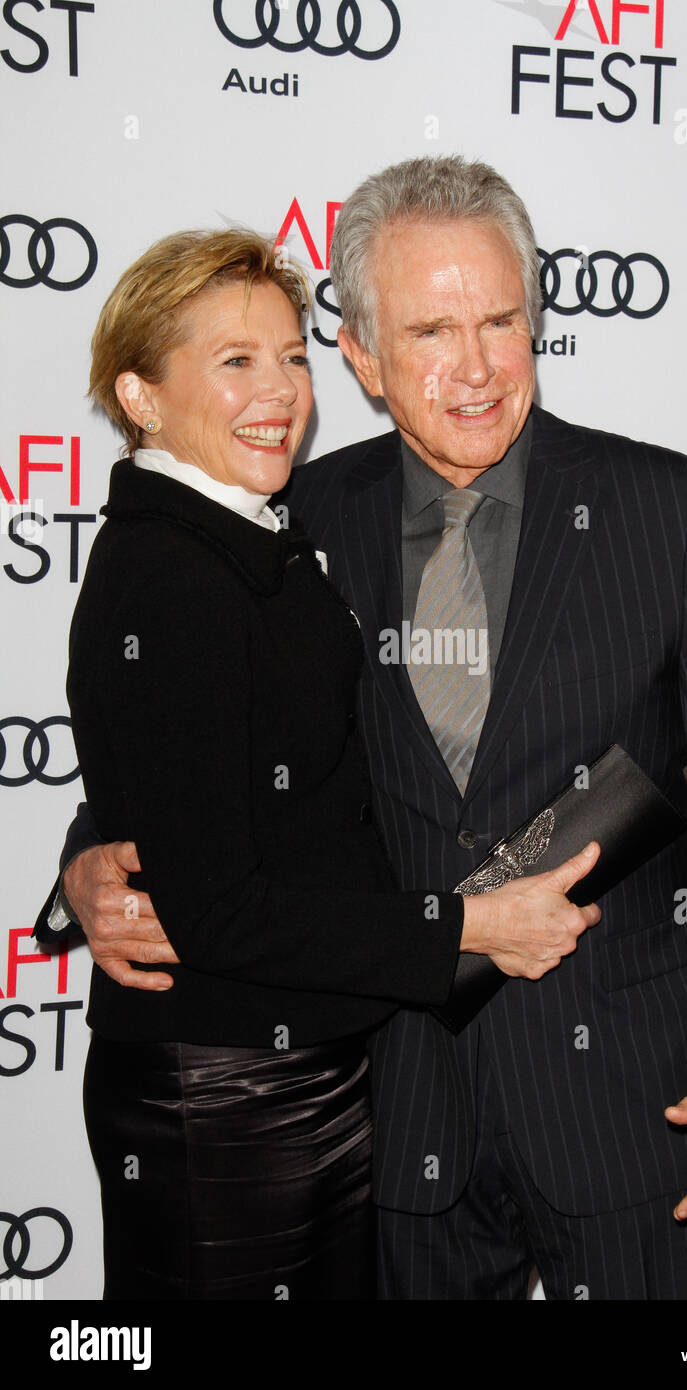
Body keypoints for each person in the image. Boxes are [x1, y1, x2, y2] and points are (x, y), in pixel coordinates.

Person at [46, 158, 687, 1301]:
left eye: (500, 321)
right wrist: (87, 861)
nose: (473, 368)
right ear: (363, 358)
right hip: (394, 1119)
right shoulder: (297, 518)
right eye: (428, 330)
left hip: (634, 1114)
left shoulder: (669, 511)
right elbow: (196, 743)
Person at [38, 225, 602, 1301]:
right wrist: (470, 927)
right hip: (228, 1094)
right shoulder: (173, 575)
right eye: (233, 361)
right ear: (141, 397)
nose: (279, 391)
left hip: (306, 1074)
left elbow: (230, 779)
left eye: (290, 356)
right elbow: (222, 906)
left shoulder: (261, 536)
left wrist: (90, 861)